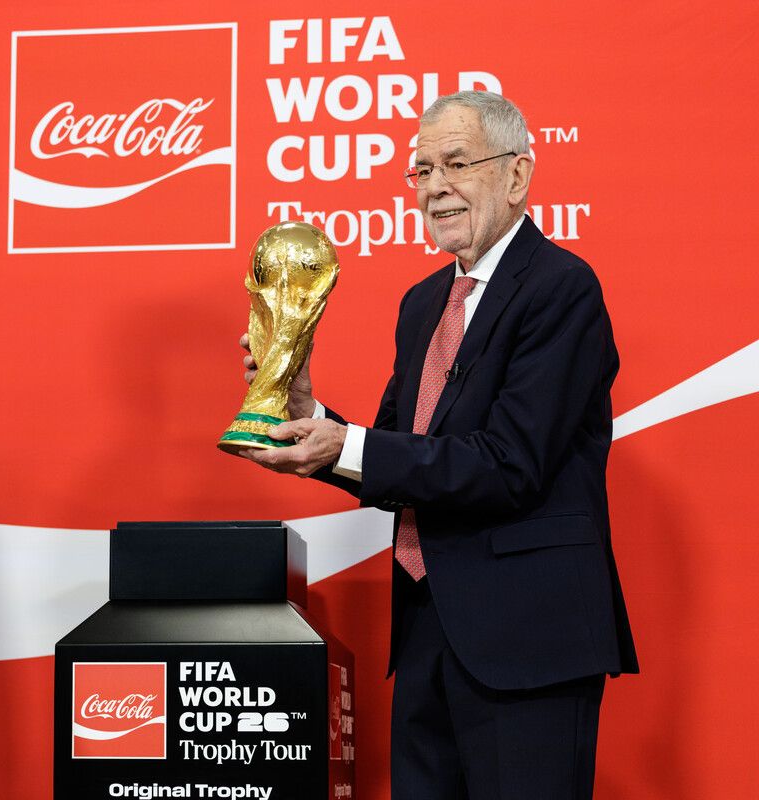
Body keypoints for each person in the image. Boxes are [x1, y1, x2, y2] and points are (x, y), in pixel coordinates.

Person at [234, 92, 637, 799]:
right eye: (421, 171)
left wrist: (345, 445)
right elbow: (395, 456)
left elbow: (508, 463)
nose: (434, 187)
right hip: (425, 636)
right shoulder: (422, 303)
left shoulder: (563, 290)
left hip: (527, 645)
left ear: (517, 176)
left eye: (456, 163)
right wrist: (307, 412)